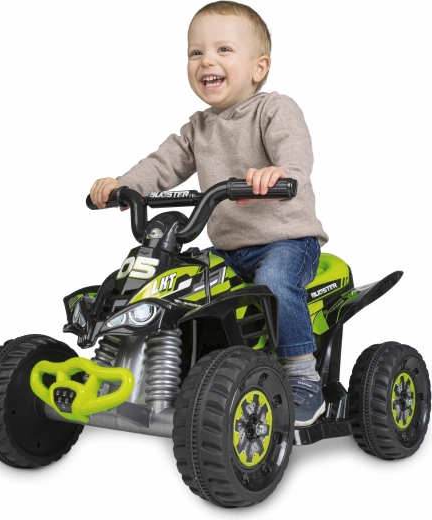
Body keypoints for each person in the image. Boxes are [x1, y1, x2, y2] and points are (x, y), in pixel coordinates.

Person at [90, 1, 329, 426]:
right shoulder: (197, 128)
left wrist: (281, 173)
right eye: (195, 52)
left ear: (259, 67)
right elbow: (161, 164)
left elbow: (295, 152)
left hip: (286, 242)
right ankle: (161, 373)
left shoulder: (274, 109)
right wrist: (124, 186)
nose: (206, 61)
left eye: (223, 50)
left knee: (276, 282)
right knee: (174, 285)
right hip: (228, 250)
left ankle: (302, 377)